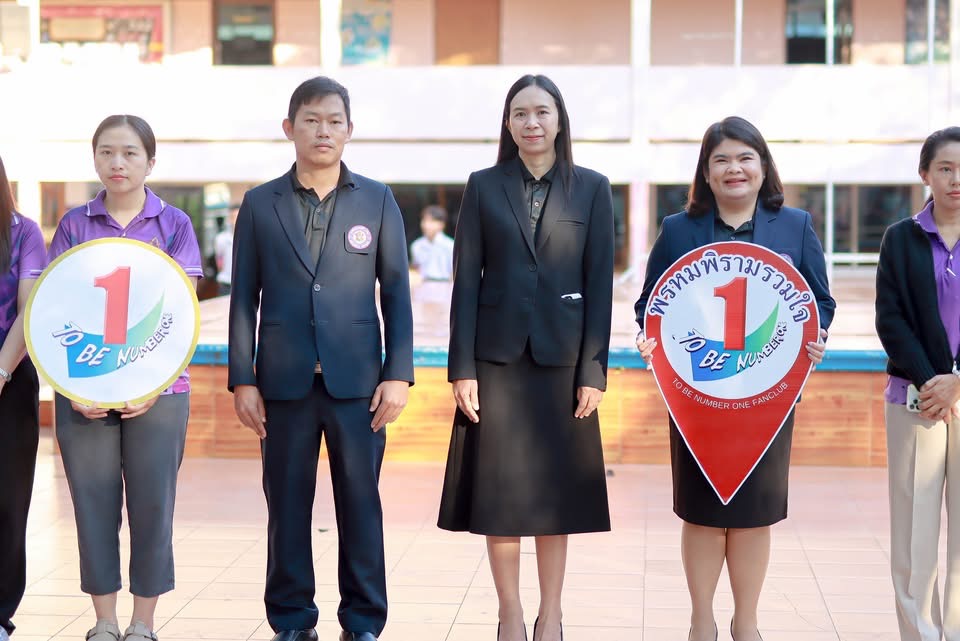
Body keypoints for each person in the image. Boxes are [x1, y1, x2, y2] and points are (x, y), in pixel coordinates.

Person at [634, 116, 835, 641]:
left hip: (768, 396)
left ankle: (746, 622)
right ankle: (701, 620)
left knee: (752, 514)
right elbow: (650, 302)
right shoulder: (678, 230)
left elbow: (819, 300)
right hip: (698, 396)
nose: (734, 168)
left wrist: (816, 334)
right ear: (706, 171)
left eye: (745, 157)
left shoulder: (795, 225)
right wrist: (649, 338)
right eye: (721, 159)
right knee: (702, 512)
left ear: (763, 165)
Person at [228, 76, 414, 641]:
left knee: (361, 505)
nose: (323, 131)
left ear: (349, 130)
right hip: (282, 384)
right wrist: (242, 380)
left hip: (358, 385)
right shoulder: (260, 203)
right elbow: (243, 298)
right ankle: (291, 620)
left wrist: (398, 374)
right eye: (311, 120)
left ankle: (362, 621)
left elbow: (396, 292)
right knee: (286, 508)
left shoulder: (377, 199)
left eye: (334, 121)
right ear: (290, 128)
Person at [438, 74, 614, 641]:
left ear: (560, 120)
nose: (531, 122)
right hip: (496, 362)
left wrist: (593, 370)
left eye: (541, 111)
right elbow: (466, 282)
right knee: (501, 494)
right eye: (520, 113)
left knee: (554, 498)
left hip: (564, 362)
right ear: (508, 124)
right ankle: (510, 614)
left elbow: (600, 285)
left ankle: (552, 615)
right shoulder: (483, 186)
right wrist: (462, 367)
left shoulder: (592, 188)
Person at [48, 115, 202, 641]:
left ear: (150, 162)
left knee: (152, 506)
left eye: (130, 153)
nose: (118, 162)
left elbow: (181, 310)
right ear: (94, 158)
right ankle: (105, 621)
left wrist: (154, 384)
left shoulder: (175, 225)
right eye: (107, 152)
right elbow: (55, 308)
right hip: (85, 389)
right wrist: (73, 389)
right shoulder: (74, 225)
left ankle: (142, 623)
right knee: (92, 505)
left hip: (160, 392)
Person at [876, 126, 960, 641]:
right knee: (914, 530)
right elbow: (890, 318)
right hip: (915, 400)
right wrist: (935, 383)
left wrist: (958, 381)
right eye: (946, 168)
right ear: (925, 173)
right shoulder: (900, 238)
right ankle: (921, 634)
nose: (956, 179)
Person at [0, 155, 46, 641]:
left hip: (9, 382)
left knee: (8, 503)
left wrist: (0, 370)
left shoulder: (23, 232)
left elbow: (29, 310)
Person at [409, 204, 454, 282]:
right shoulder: (416, 245)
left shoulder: (450, 245)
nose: (426, 225)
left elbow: (454, 273)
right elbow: (416, 269)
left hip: (445, 284)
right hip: (422, 285)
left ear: (442, 224)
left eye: (431, 221)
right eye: (424, 220)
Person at [214, 206, 238, 296]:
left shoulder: (250, 238)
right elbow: (219, 260)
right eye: (233, 217)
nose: (236, 220)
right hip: (226, 283)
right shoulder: (221, 239)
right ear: (229, 219)